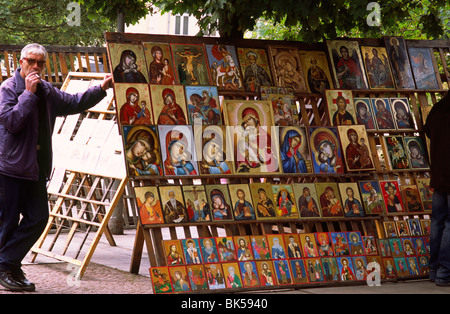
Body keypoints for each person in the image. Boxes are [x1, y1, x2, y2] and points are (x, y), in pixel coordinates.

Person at [0, 43, 112, 292]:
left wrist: (101, 89)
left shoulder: (48, 90)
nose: (36, 67)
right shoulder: (8, 88)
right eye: (31, 61)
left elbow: (73, 102)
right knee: (7, 222)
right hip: (11, 169)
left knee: (39, 218)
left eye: (41, 63)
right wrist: (28, 94)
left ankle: (6, 263)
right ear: (22, 62)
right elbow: (12, 122)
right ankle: (8, 267)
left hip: (37, 168)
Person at [424, 91, 450, 286]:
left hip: (439, 174)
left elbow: (428, 131)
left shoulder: (438, 108)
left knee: (437, 221)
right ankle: (444, 272)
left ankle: (434, 269)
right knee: (449, 223)